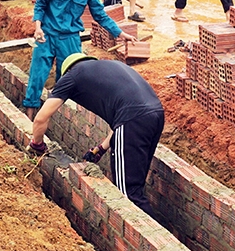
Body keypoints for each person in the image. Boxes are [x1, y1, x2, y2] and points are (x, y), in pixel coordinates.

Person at [28, 54, 164, 218]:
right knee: (135, 187)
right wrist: (101, 148)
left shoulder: (72, 76)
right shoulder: (109, 67)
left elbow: (41, 118)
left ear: (68, 71)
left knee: (127, 196)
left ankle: (150, 240)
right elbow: (124, 114)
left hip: (132, 120)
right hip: (155, 115)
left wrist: (37, 145)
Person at [22, 0, 136, 120]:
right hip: (47, 34)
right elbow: (41, 4)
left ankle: (59, 116)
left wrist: (119, 33)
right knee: (38, 74)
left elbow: (100, 15)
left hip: (70, 38)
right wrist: (38, 27)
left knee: (67, 79)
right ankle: (29, 113)